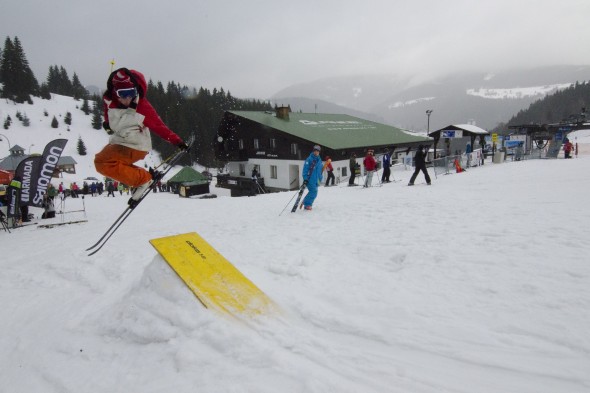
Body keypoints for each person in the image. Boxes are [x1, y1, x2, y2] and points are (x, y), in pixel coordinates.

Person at [94, 68, 188, 207]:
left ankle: (143, 179)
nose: (127, 98)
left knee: (102, 162)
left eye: (131, 93)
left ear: (136, 90)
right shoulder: (109, 99)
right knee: (105, 162)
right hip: (120, 141)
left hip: (135, 144)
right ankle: (142, 178)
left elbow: (159, 126)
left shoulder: (142, 107)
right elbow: (107, 110)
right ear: (115, 92)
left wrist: (177, 142)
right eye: (122, 93)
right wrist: (107, 123)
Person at [301, 145, 324, 211]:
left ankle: (306, 201)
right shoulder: (309, 159)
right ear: (313, 151)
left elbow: (320, 171)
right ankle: (307, 205)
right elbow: (305, 170)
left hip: (317, 180)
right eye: (315, 151)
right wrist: (305, 178)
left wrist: (320, 178)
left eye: (317, 151)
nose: (316, 152)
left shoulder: (319, 160)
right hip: (310, 179)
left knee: (314, 192)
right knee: (313, 191)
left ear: (319, 152)